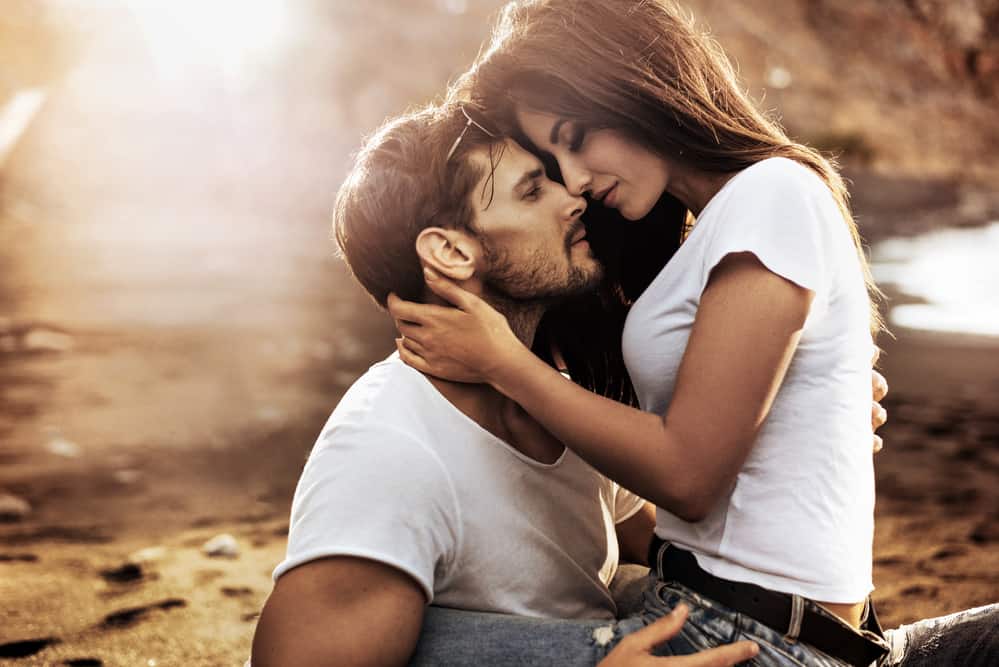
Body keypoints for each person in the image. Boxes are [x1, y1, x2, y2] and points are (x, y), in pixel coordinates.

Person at [386, 1, 999, 665]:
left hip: (758, 641)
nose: (577, 178)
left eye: (574, 137)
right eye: (552, 161)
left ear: (631, 85)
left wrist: (504, 363)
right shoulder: (702, 233)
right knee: (394, 634)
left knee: (410, 644)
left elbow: (688, 476)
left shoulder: (772, 194)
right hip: (727, 615)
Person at [249, 102, 774, 667]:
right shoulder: (389, 449)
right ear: (451, 251)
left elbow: (666, 544)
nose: (573, 199)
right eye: (531, 191)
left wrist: (788, 416)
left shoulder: (557, 395)